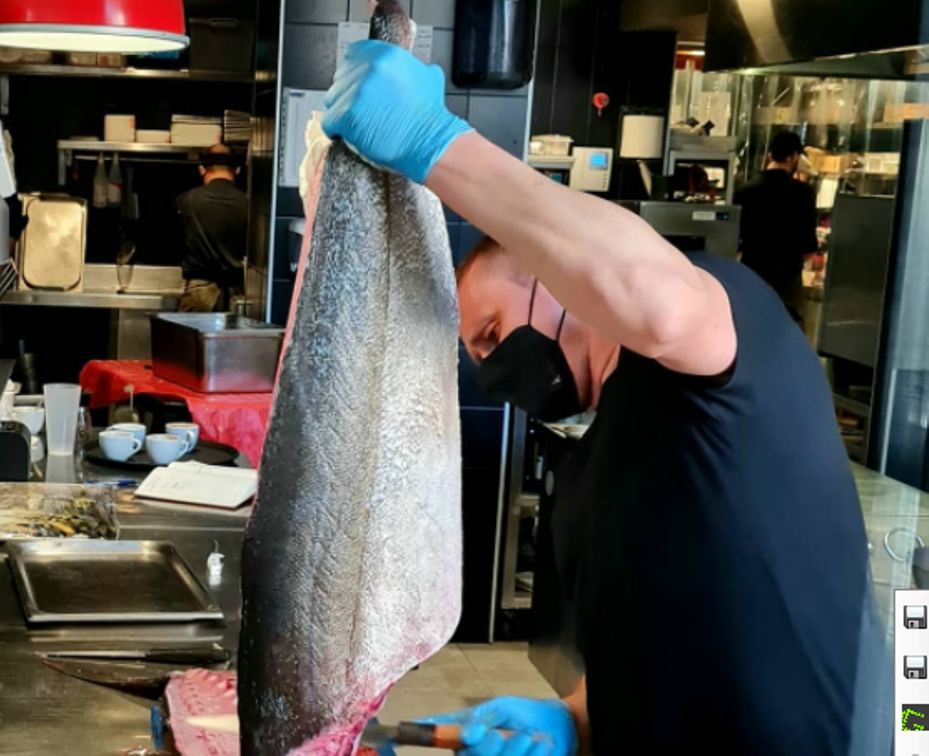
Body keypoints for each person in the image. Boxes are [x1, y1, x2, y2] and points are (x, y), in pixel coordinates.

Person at [323, 41, 891, 755]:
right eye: (478, 357)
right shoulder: (597, 463)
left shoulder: (721, 342)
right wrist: (575, 716)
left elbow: (655, 300)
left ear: (552, 273)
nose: (498, 370)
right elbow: (648, 637)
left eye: (494, 332)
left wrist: (437, 147)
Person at [736, 131, 819, 324]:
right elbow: (809, 246)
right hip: (787, 281)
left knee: (750, 328)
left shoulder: (744, 191)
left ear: (769, 156)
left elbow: (734, 241)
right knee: (786, 334)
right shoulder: (804, 193)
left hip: (751, 274)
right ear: (794, 157)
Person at [174, 143, 247, 312]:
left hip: (199, 295)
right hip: (238, 296)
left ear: (202, 169)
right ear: (237, 170)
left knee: (192, 339)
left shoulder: (186, 201)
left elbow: (174, 243)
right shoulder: (251, 204)